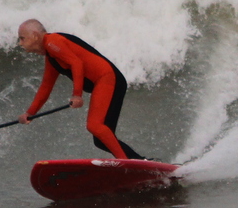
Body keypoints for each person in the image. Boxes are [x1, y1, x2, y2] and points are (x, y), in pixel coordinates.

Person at [17, 19, 146, 160]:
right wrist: (30, 113)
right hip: (106, 82)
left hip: (107, 79)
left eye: (22, 38)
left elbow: (76, 63)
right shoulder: (52, 57)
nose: (20, 43)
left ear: (35, 36)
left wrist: (77, 95)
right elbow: (46, 87)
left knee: (95, 126)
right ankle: (141, 162)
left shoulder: (52, 41)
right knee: (101, 140)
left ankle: (125, 163)